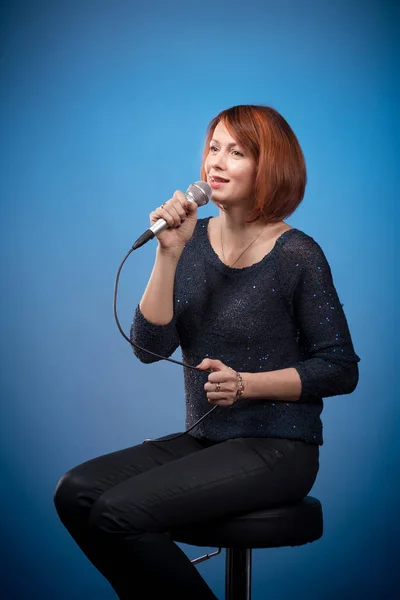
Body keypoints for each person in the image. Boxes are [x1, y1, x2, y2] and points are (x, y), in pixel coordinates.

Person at [54, 104, 360, 599]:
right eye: (213, 148)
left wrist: (247, 385)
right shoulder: (190, 244)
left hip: (279, 448)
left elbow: (341, 369)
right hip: (208, 440)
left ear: (269, 167)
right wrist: (168, 251)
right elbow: (148, 349)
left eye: (236, 152)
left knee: (119, 512)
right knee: (76, 492)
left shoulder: (298, 255)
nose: (216, 162)